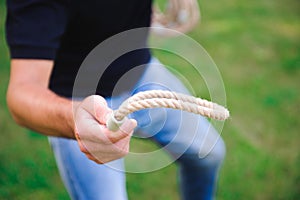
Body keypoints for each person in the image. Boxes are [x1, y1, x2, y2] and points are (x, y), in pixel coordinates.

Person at [5, 1, 226, 199]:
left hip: (143, 72)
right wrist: (73, 119)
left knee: (209, 154)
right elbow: (22, 92)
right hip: (79, 103)